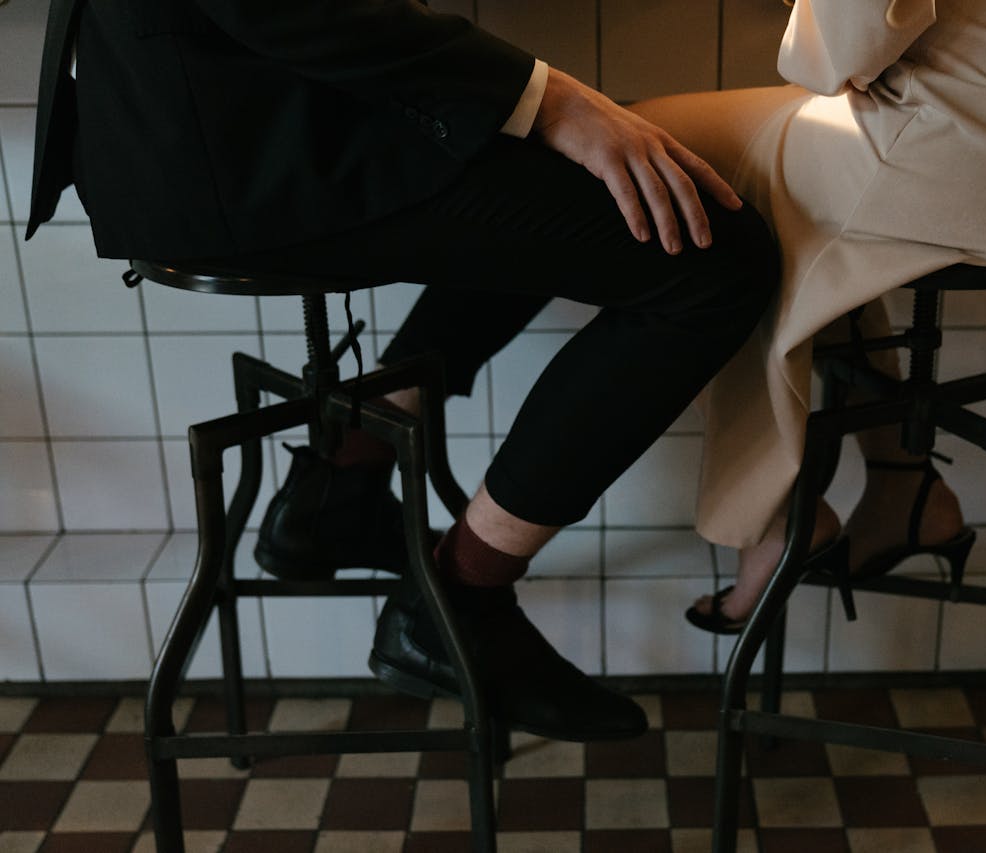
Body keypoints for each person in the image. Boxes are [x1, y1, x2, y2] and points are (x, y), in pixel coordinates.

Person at [28, 0, 779, 740]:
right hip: (238, 146)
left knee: (587, 178)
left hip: (203, 121)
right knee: (714, 262)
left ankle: (338, 488)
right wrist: (553, 101)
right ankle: (460, 602)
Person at [628, 0, 986, 632]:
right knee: (791, 194)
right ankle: (901, 482)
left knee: (659, 149)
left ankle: (774, 525)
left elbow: (845, 51)